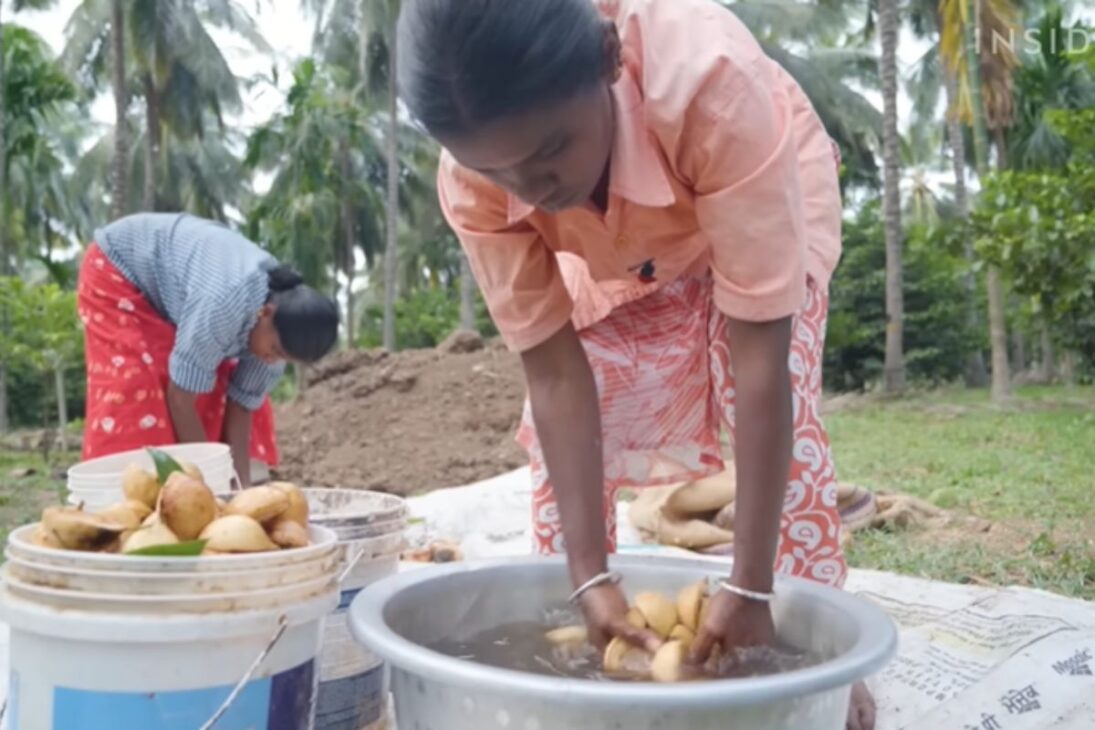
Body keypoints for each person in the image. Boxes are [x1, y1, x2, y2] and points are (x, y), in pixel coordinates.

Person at [398, 0, 876, 727]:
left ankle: (815, 660)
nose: (530, 190)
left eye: (550, 150)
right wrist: (588, 575)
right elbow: (555, 374)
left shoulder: (711, 85)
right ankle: (584, 620)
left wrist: (748, 585)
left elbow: (760, 368)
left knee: (773, 402)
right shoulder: (477, 182)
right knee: (570, 414)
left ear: (607, 59)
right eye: (497, 170)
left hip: (756, 181)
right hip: (625, 245)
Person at [77, 213, 339, 486]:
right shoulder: (223, 305)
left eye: (282, 357)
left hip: (178, 296)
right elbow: (180, 398)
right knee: (141, 385)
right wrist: (210, 486)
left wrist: (240, 492)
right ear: (265, 313)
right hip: (119, 268)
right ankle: (123, 487)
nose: (272, 359)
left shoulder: (276, 334)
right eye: (274, 350)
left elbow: (241, 405)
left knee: (227, 392)